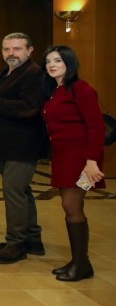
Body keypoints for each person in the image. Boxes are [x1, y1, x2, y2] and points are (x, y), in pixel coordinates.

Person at [42, 45, 105, 281]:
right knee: (69, 206)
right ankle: (79, 261)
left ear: (69, 63)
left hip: (81, 157)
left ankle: (81, 264)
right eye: (48, 61)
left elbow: (96, 127)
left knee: (72, 206)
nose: (52, 65)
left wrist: (92, 161)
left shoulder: (81, 89)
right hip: (63, 156)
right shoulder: (56, 90)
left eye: (58, 60)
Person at [0, 32, 47, 264]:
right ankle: (32, 239)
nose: (11, 53)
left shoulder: (34, 74)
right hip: (7, 145)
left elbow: (29, 108)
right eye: (6, 49)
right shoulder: (7, 71)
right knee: (22, 192)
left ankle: (16, 243)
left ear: (30, 50)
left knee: (14, 193)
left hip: (22, 145)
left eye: (17, 49)